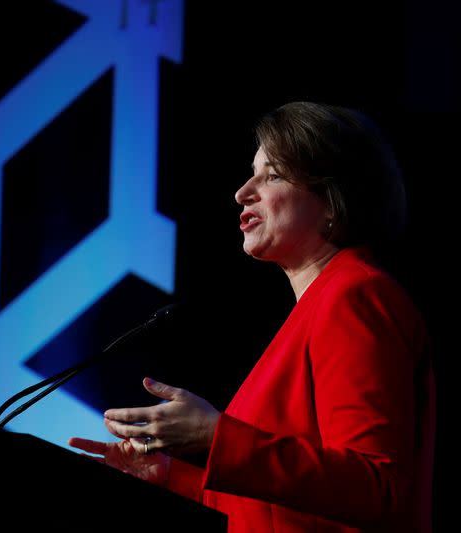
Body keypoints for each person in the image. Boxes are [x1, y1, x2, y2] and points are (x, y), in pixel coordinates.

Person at [69, 102, 435, 532]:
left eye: (273, 174)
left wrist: (216, 438)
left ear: (334, 199)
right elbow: (282, 507)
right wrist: (173, 477)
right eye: (252, 172)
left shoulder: (353, 294)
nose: (243, 191)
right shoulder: (318, 307)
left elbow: (377, 487)